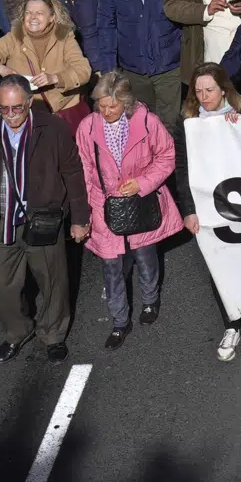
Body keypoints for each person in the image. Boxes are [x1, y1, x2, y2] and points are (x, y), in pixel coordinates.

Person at [0, 76, 87, 362]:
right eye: (4, 109)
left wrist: (79, 217)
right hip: (2, 224)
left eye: (16, 108)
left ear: (30, 102)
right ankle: (17, 332)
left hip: (43, 223)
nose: (10, 115)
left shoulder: (53, 128)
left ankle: (53, 335)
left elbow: (73, 172)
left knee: (53, 282)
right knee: (1, 286)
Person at [72, 75, 182, 349]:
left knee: (145, 257)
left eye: (112, 106)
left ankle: (149, 301)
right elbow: (84, 170)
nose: (106, 112)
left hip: (141, 202)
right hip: (103, 205)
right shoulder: (87, 128)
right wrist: (88, 209)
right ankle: (120, 322)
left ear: (126, 103)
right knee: (111, 267)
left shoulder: (147, 122)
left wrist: (143, 184)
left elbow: (167, 156)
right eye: (101, 106)